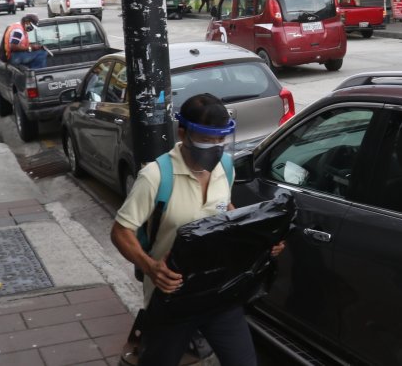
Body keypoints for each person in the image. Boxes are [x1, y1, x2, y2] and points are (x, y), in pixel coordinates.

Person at [110, 94, 284, 366]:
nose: (215, 147)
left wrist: (261, 241)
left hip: (218, 291)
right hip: (172, 297)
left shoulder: (225, 167)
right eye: (206, 138)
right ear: (183, 132)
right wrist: (151, 267)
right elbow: (121, 231)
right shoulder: (155, 176)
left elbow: (226, 212)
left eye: (220, 139)